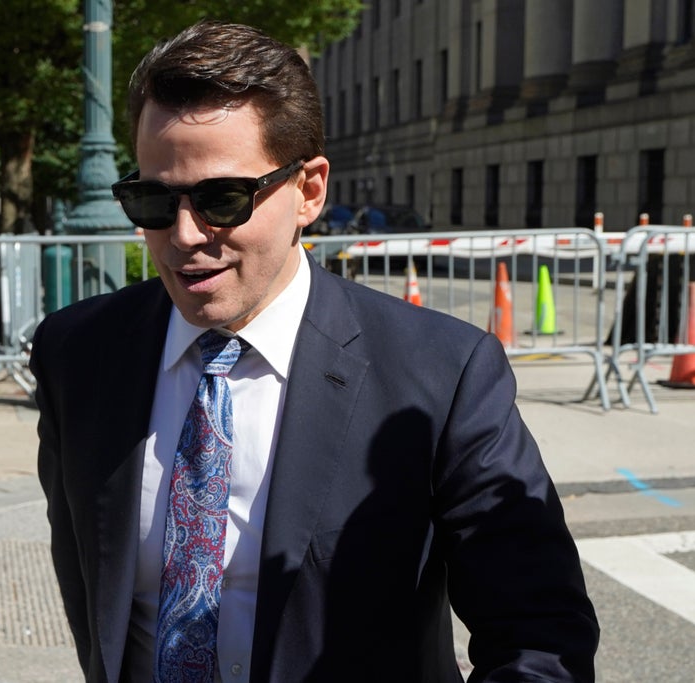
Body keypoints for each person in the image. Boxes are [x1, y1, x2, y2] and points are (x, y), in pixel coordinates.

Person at [30, 20, 598, 683]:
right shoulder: (78, 354)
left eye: (222, 199)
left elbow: (538, 633)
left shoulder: (442, 373)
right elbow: (93, 588)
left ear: (309, 191)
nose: (184, 235)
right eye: (154, 199)